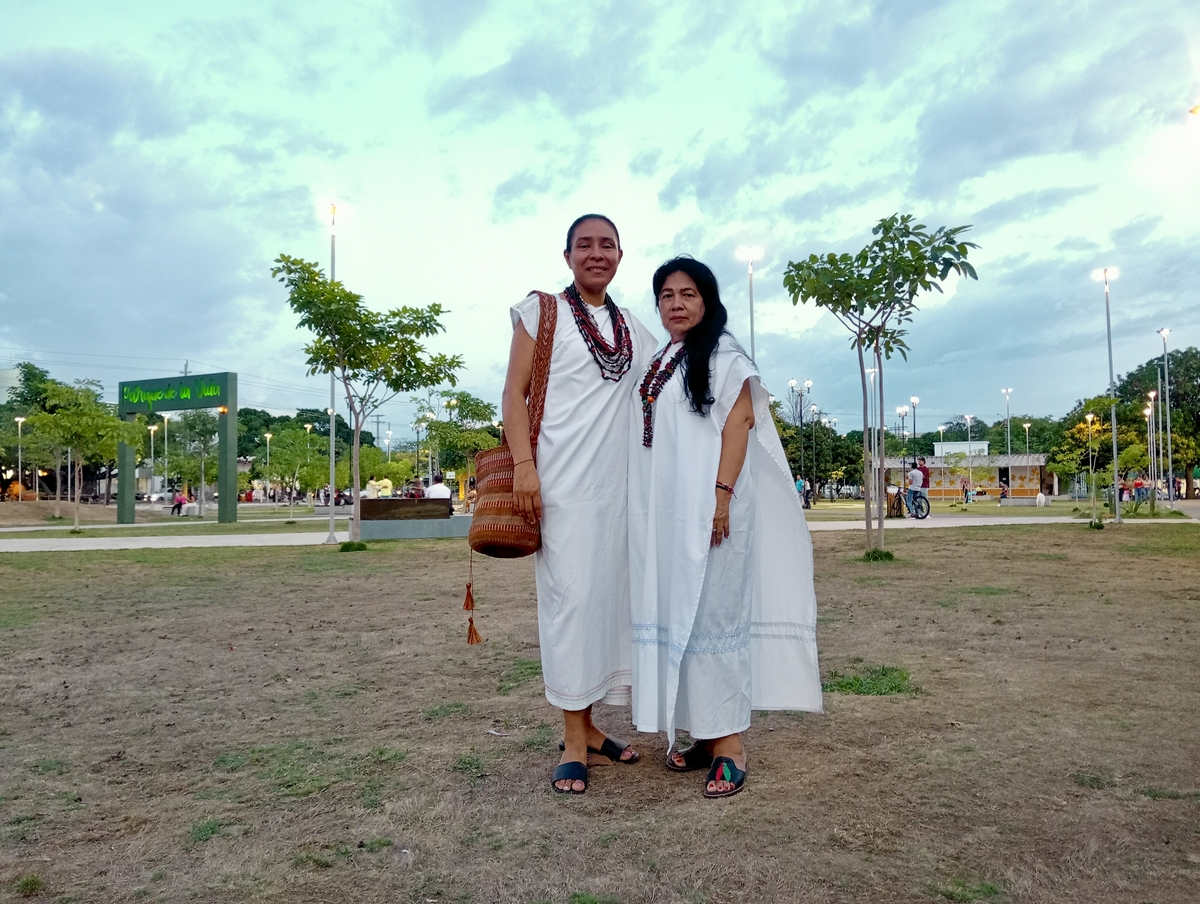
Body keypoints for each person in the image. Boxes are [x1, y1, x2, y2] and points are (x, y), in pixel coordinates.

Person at [629, 256, 822, 799]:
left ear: (707, 301)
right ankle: (704, 735)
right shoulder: (666, 357)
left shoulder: (724, 355)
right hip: (671, 514)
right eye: (666, 295)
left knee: (713, 619)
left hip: (716, 509)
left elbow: (739, 424)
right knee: (682, 623)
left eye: (687, 293)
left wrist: (720, 497)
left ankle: (731, 746)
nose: (676, 303)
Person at [504, 214, 657, 794]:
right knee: (570, 606)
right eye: (585, 244)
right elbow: (512, 395)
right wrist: (525, 467)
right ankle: (573, 738)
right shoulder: (540, 313)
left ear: (621, 255)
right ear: (567, 255)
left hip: (618, 495)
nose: (597, 253)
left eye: (607, 245)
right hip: (559, 492)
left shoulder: (633, 330)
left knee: (606, 609)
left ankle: (592, 729)